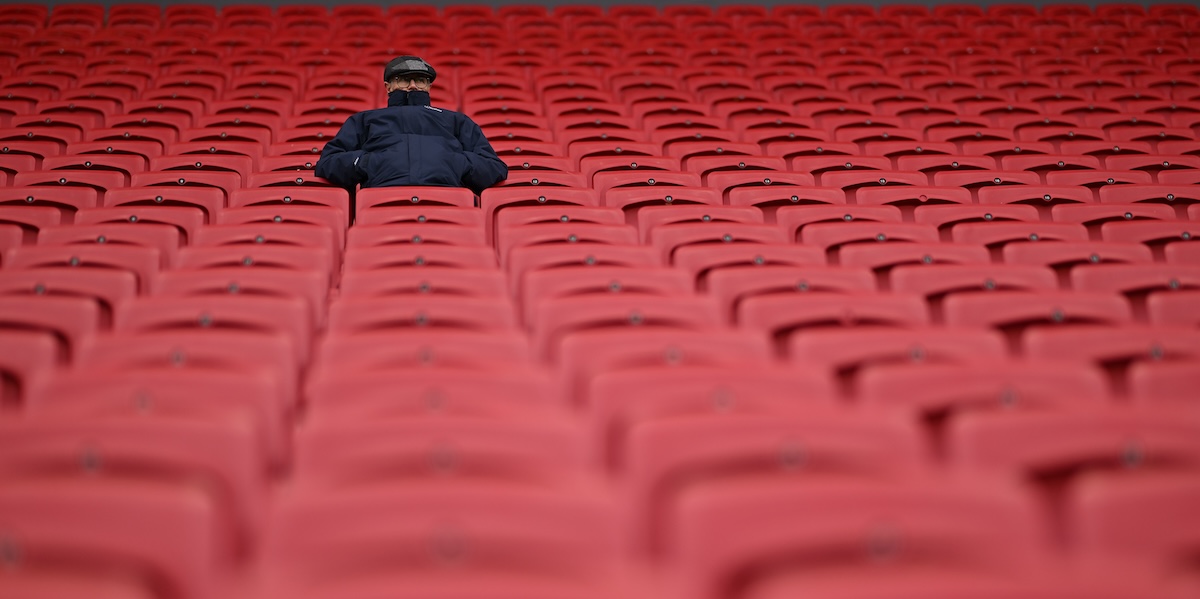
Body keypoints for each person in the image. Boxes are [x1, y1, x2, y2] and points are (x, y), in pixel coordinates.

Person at [314, 55, 508, 205]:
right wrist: (367, 162)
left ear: (429, 86)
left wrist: (457, 163)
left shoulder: (455, 120)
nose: (413, 85)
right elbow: (328, 163)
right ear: (388, 86)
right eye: (404, 79)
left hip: (447, 201)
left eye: (420, 80)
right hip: (381, 202)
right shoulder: (364, 120)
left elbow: (494, 168)